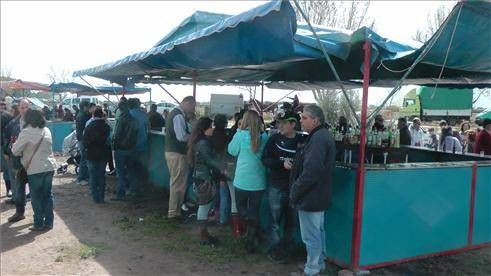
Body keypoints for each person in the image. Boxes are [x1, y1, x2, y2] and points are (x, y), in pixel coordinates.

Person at [290, 104, 335, 276]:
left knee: (311, 235)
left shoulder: (318, 139)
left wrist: (296, 189)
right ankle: (319, 263)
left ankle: (312, 269)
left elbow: (311, 172)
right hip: (318, 193)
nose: (301, 121)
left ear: (315, 120)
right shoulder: (320, 135)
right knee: (318, 230)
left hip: (311, 194)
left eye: (304, 118)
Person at [262, 110, 302, 263]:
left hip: (294, 188)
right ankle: (274, 250)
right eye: (279, 122)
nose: (280, 125)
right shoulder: (274, 139)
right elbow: (265, 160)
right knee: (274, 221)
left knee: (292, 222)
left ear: (293, 124)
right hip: (276, 186)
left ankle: (288, 249)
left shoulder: (302, 141)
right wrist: (281, 164)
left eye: (284, 123)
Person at [228, 110, 269, 253]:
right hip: (258, 180)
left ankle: (253, 235)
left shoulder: (240, 135)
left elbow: (231, 151)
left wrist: (238, 132)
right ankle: (253, 237)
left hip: (242, 179)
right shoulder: (264, 136)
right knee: (254, 211)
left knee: (242, 210)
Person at [12, 109, 56, 231]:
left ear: (28, 119)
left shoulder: (26, 132)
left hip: (34, 169)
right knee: (47, 195)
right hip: (49, 167)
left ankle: (38, 224)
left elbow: (15, 151)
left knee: (36, 197)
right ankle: (49, 222)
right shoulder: (46, 130)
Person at [187, 117, 227, 246]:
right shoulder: (203, 143)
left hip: (200, 177)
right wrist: (222, 169)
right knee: (204, 207)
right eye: (211, 126)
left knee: (203, 206)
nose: (212, 129)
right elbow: (210, 160)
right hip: (204, 178)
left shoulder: (198, 141)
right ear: (205, 128)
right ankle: (203, 234)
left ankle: (203, 232)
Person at [165, 96, 196, 219]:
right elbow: (181, 136)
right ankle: (173, 212)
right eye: (193, 106)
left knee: (178, 183)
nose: (193, 109)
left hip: (174, 152)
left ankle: (176, 210)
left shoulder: (176, 113)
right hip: (177, 153)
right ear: (188, 103)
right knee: (177, 183)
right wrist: (193, 136)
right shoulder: (178, 116)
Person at [4, 99, 31, 222]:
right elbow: (8, 138)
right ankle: (20, 212)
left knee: (35, 186)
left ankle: (39, 215)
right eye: (22, 107)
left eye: (26, 107)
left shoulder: (35, 122)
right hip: (17, 160)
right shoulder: (13, 123)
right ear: (18, 108)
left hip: (32, 159)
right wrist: (6, 151)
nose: (24, 109)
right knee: (19, 186)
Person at [110, 99, 139, 201]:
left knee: (120, 172)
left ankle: (120, 194)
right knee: (132, 171)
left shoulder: (121, 119)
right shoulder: (134, 119)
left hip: (121, 149)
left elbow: (117, 135)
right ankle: (134, 191)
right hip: (131, 149)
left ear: (121, 109)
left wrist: (114, 143)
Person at [83, 107, 111, 203]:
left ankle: (95, 197)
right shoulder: (107, 127)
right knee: (101, 175)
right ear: (102, 115)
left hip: (91, 155)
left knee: (93, 175)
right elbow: (108, 142)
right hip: (103, 155)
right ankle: (102, 197)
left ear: (93, 115)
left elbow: (85, 143)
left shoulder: (89, 127)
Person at [126, 98, 150, 199]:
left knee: (130, 169)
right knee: (140, 169)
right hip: (143, 146)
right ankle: (140, 189)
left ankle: (133, 189)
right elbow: (149, 128)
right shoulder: (143, 115)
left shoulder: (127, 114)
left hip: (130, 147)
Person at [75, 101, 91, 185]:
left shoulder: (80, 114)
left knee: (84, 159)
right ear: (84, 107)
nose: (89, 108)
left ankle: (83, 177)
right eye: (88, 107)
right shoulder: (83, 116)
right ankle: (81, 177)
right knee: (84, 160)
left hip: (81, 139)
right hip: (83, 139)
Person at [1, 99, 14, 197]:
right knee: (7, 168)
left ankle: (9, 189)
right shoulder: (8, 115)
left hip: (4, 145)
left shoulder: (6, 116)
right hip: (4, 145)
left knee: (7, 168)